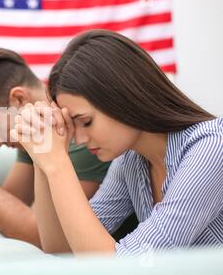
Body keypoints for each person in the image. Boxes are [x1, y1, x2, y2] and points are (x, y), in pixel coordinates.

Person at [12, 29, 222, 255]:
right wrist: (42, 157)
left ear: (124, 98)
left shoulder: (210, 146)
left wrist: (58, 164)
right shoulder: (130, 161)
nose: (80, 139)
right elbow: (61, 249)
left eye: (86, 121)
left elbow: (122, 268)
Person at [0, 48, 136, 250]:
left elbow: (43, 236)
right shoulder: (34, 131)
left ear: (18, 99)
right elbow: (4, 205)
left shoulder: (82, 134)